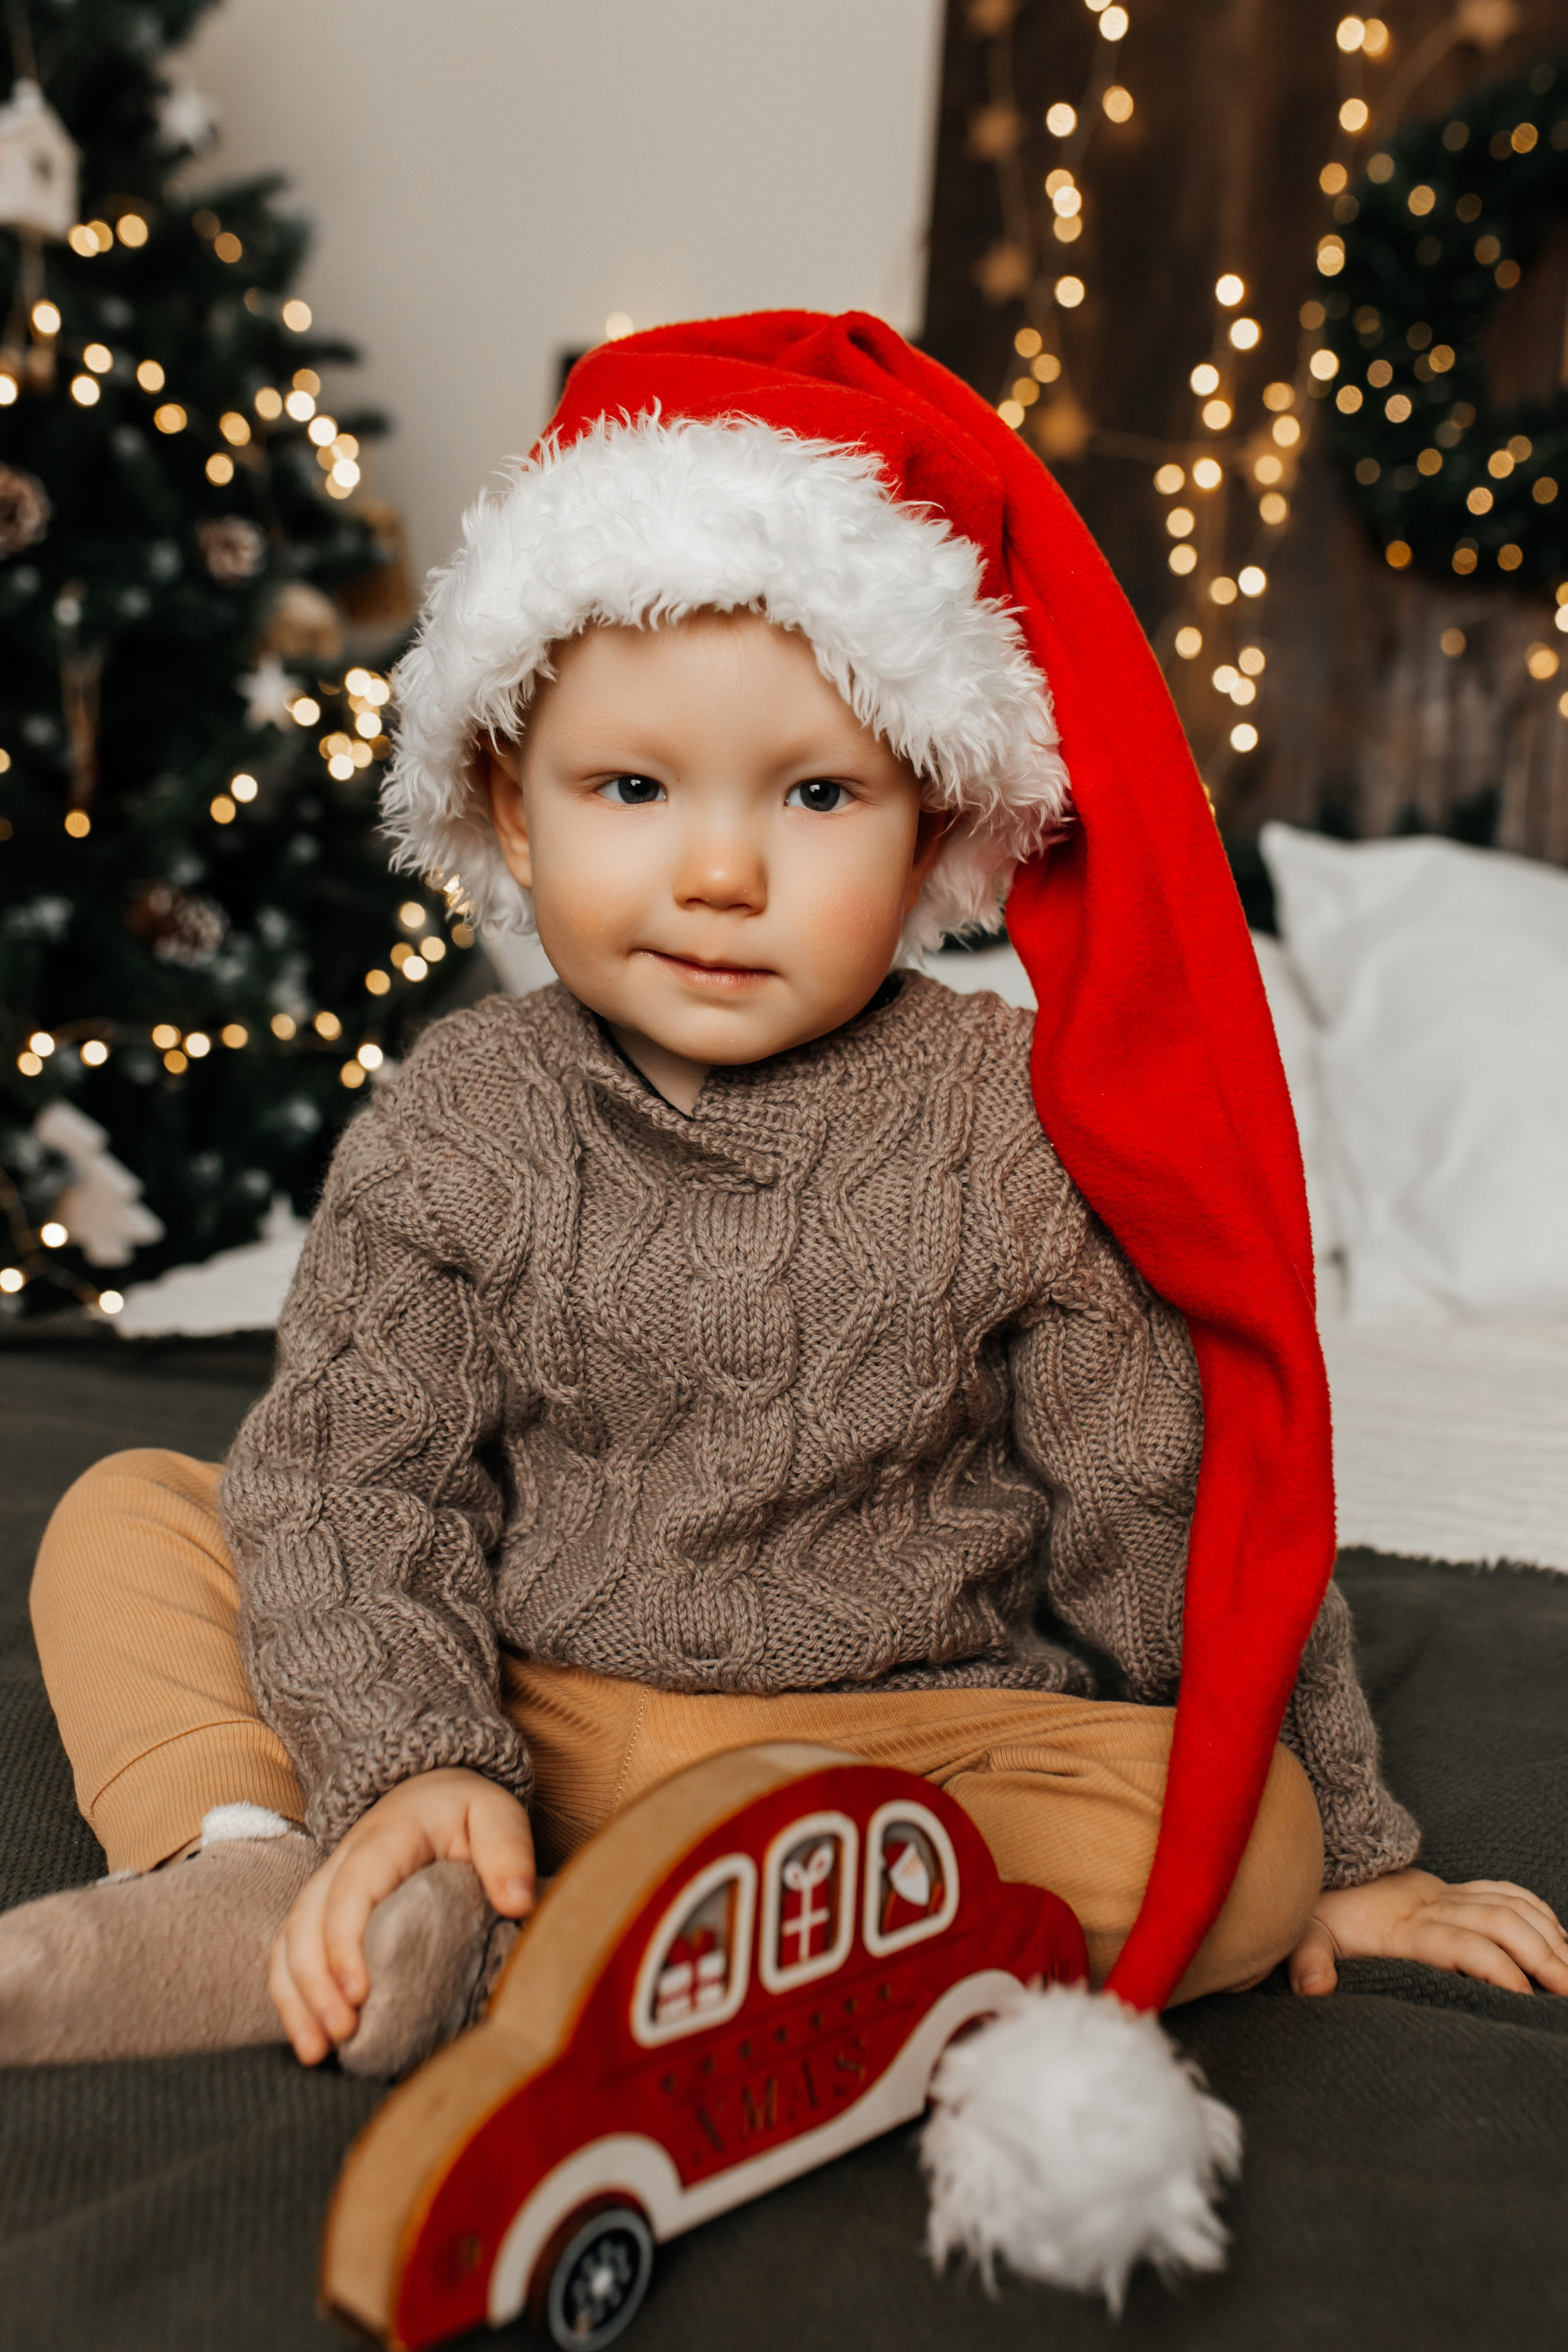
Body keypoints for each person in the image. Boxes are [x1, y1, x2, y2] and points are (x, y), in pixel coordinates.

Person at [6, 314, 1565, 2084]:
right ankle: (278, 1863)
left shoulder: (1001, 1122)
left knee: (1244, 1842)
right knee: (145, 1513)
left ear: (932, 829)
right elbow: (358, 1477)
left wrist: (1357, 1857)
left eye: (819, 793)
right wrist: (418, 1752)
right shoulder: (467, 1113)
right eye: (634, 788)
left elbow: (1163, 1508)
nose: (724, 867)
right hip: (520, 1697)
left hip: (879, 1759)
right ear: (514, 812)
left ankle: (620, 1935)